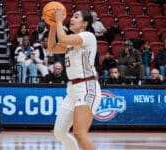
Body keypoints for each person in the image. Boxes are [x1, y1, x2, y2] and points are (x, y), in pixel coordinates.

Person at [47, 9, 101, 150]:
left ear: (84, 23)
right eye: (72, 16)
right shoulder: (72, 41)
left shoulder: (88, 36)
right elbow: (51, 48)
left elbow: (63, 39)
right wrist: (53, 25)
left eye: (76, 17)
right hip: (72, 90)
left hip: (87, 87)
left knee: (79, 133)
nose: (71, 19)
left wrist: (59, 20)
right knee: (59, 132)